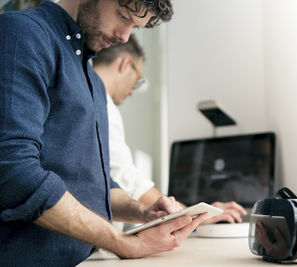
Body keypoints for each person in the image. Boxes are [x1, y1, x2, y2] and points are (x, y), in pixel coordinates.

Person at [0, 0, 208, 266]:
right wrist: (124, 244)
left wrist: (142, 211)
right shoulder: (23, 34)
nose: (124, 36)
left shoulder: (93, 81)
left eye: (134, 26)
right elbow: (14, 172)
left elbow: (98, 187)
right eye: (122, 15)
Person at [92, 34, 247, 225]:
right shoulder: (101, 105)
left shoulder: (83, 98)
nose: (132, 91)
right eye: (137, 80)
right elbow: (127, 180)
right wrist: (196, 216)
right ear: (125, 64)